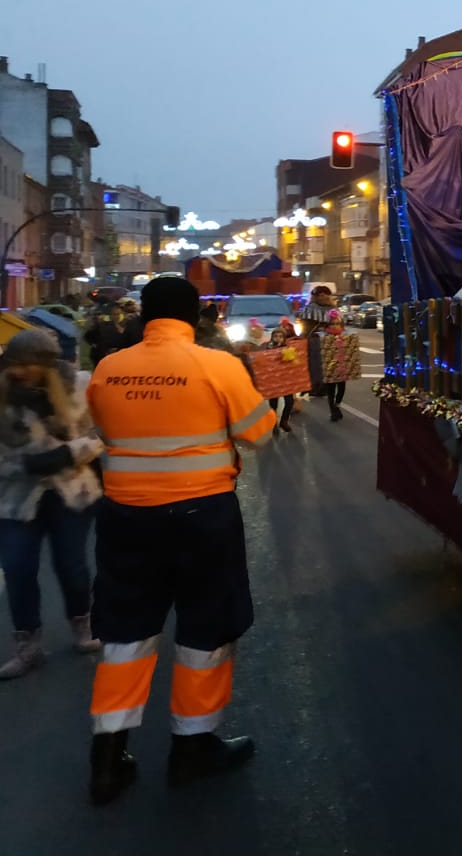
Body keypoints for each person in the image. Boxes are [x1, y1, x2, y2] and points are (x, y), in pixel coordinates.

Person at [84, 276, 276, 805]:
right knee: (206, 628)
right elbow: (258, 434)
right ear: (195, 316)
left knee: (125, 631)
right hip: (202, 515)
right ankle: (192, 750)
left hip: (125, 517)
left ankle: (107, 759)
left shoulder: (109, 368)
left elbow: (103, 429)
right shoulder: (218, 366)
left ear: (145, 315)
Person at [0, 328, 106, 679]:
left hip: (72, 494)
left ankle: (82, 624)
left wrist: (67, 454)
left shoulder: (79, 386)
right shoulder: (3, 396)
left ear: (44, 364)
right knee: (17, 569)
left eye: (25, 364)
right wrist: (25, 465)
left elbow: (101, 435)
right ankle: (28, 646)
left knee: (71, 565)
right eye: (12, 364)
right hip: (16, 499)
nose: (17, 371)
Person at [321, 311, 351, 422]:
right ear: (328, 325)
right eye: (332, 323)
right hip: (329, 368)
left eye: (337, 323)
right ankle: (333, 410)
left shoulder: (346, 336)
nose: (334, 325)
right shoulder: (324, 337)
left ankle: (337, 405)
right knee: (330, 391)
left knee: (342, 389)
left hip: (342, 367)